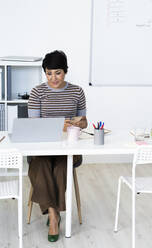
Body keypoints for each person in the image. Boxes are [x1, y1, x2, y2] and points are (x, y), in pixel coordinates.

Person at [28, 50, 88, 242]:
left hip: (68, 147)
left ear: (66, 71)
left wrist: (80, 123)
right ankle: (54, 215)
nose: (53, 78)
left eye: (58, 72)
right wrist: (57, 125)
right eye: (49, 73)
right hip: (42, 148)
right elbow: (33, 125)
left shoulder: (77, 91)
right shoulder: (37, 92)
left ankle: (53, 214)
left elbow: (85, 121)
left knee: (62, 166)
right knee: (42, 165)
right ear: (45, 73)